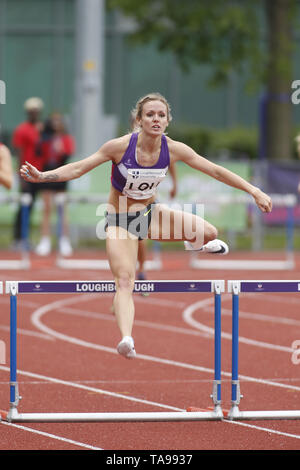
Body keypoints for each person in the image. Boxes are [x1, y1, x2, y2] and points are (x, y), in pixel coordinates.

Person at [20, 92, 272, 359]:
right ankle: (127, 338)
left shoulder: (174, 149)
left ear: (167, 121)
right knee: (126, 280)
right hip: (120, 221)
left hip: (151, 214)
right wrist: (43, 176)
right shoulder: (119, 147)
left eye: (161, 115)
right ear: (139, 120)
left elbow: (216, 171)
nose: (156, 119)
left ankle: (191, 242)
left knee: (210, 233)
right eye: (150, 114)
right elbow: (79, 168)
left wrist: (253, 190)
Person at [35, 112, 75, 256]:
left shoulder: (66, 139)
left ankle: (64, 241)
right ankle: (45, 240)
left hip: (61, 173)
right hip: (47, 173)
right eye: (54, 121)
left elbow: (68, 155)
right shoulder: (45, 138)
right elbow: (39, 153)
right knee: (46, 208)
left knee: (61, 209)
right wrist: (42, 137)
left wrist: (60, 148)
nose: (56, 124)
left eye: (59, 121)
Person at [12, 97, 44, 247]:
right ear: (28, 112)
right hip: (27, 174)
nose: (34, 114)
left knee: (31, 206)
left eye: (37, 111)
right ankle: (18, 238)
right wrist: (21, 175)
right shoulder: (22, 129)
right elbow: (19, 152)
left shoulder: (40, 128)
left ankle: (25, 238)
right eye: (32, 111)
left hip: (39, 174)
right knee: (24, 206)